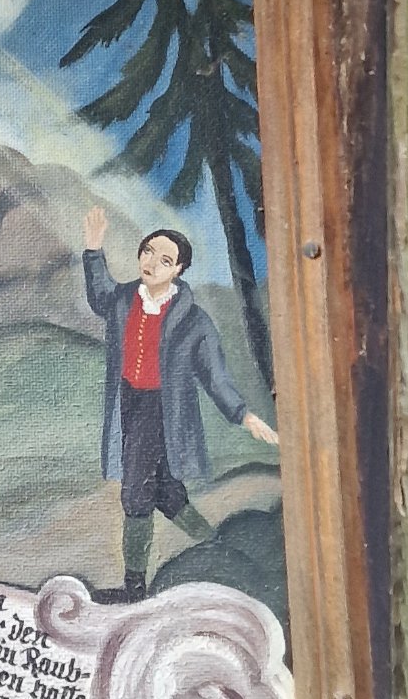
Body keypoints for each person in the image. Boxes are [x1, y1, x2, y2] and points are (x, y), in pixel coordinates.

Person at [82, 206, 279, 602]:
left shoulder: (194, 322)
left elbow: (215, 377)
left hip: (163, 416)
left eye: (165, 259)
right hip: (128, 407)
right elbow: (100, 295)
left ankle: (135, 590)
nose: (152, 262)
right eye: (149, 252)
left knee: (136, 495)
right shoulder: (123, 299)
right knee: (167, 494)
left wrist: (243, 415)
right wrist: (93, 249)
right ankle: (218, 547)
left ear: (179, 270)